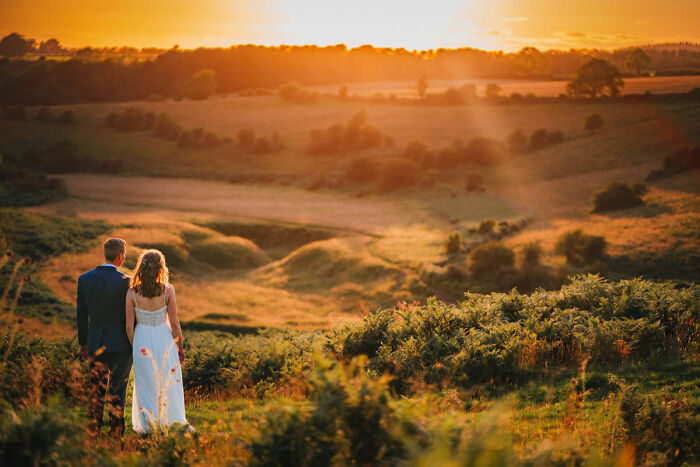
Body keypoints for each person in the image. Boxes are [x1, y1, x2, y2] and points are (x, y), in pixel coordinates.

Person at [126, 249, 190, 433]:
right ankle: (172, 422)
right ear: (161, 268)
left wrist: (134, 345)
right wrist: (180, 347)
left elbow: (129, 326)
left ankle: (149, 426)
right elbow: (175, 323)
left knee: (145, 382)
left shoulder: (132, 292)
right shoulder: (167, 290)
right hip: (164, 338)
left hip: (141, 339)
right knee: (168, 380)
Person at [76, 238, 132, 439]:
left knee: (96, 390)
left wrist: (84, 343)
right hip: (121, 345)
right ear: (120, 257)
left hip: (95, 342)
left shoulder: (84, 279)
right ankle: (116, 433)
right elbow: (128, 316)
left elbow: (81, 314)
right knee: (118, 390)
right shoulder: (126, 281)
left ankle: (93, 431)